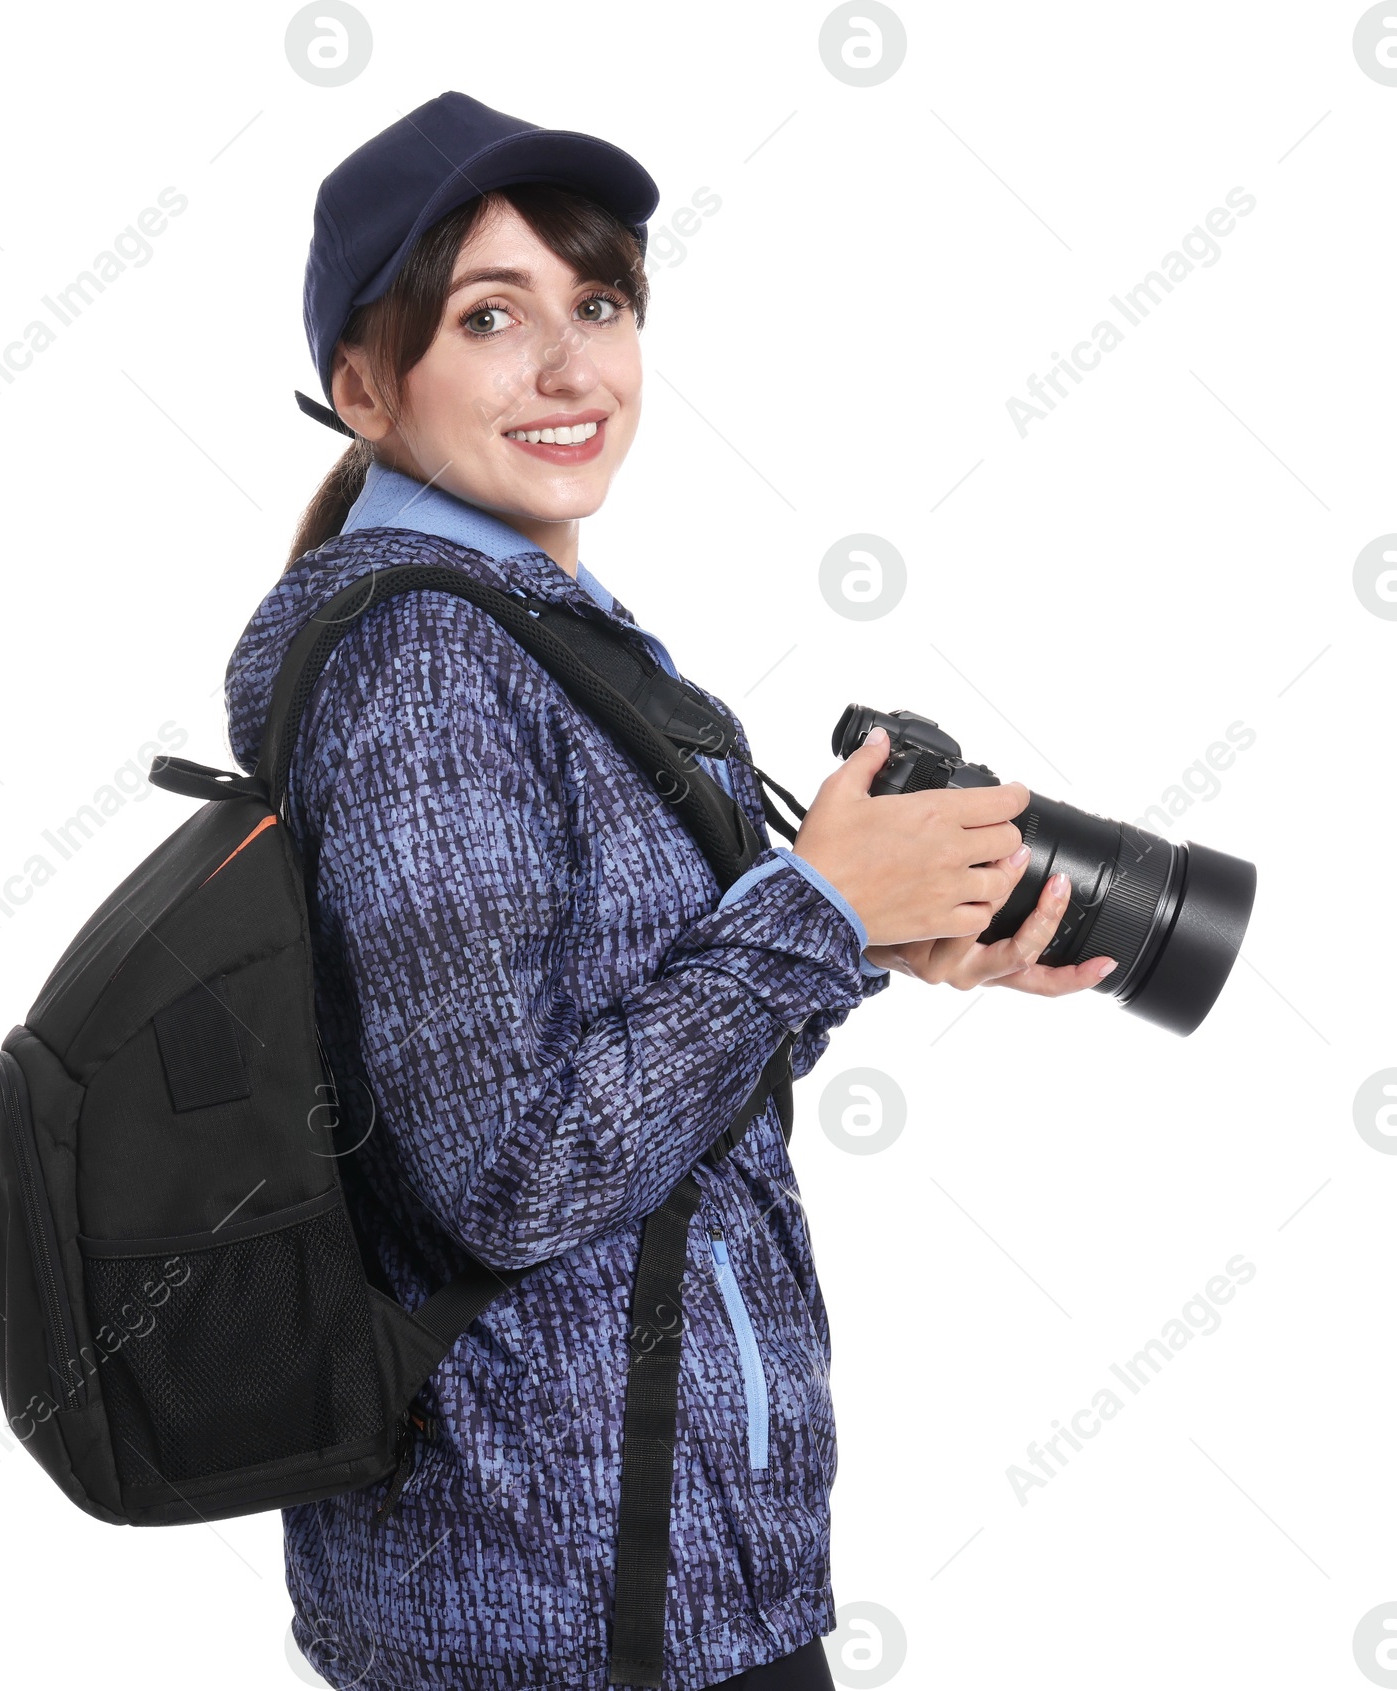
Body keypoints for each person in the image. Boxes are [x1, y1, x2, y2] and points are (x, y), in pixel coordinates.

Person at [224, 91, 1114, 1691]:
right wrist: (814, 915)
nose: (571, 369)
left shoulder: (524, 621)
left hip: (643, 1570)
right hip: (570, 1603)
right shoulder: (425, 662)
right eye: (490, 317)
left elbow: (628, 1092)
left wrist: (871, 937)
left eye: (602, 303)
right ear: (364, 386)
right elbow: (511, 1175)